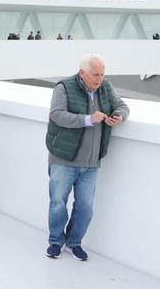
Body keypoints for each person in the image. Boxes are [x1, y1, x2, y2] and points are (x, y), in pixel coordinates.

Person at [45, 54, 129, 261]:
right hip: (64, 159)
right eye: (95, 75)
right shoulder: (63, 88)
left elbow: (123, 106)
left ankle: (74, 243)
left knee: (85, 208)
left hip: (91, 163)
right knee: (58, 203)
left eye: (102, 74)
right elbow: (56, 114)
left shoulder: (106, 88)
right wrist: (87, 119)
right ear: (82, 73)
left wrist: (119, 116)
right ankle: (56, 241)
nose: (99, 79)